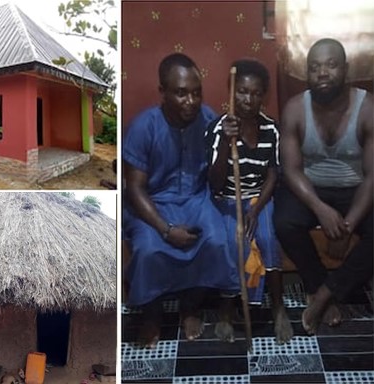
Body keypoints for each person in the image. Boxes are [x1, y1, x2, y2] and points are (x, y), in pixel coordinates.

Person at [123, 53, 238, 348]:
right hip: (153, 203)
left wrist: (224, 144)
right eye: (181, 93)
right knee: (148, 250)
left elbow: (216, 181)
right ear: (163, 93)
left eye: (196, 93)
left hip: (198, 198)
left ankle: (191, 306)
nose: (191, 101)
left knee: (215, 241)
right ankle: (151, 315)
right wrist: (164, 229)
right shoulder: (143, 126)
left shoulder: (211, 119)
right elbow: (135, 189)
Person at [274, 38, 372, 335]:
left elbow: (372, 176)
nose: (323, 73)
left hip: (357, 189)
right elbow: (290, 170)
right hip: (310, 189)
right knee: (284, 221)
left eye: (331, 65)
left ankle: (328, 292)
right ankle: (317, 283)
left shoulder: (367, 108)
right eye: (314, 67)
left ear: (346, 69)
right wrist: (321, 209)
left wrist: (347, 224)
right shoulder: (295, 108)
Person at [206, 59, 293, 344]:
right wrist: (224, 150)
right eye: (242, 91)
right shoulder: (219, 129)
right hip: (227, 199)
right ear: (232, 91)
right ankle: (226, 312)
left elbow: (273, 175)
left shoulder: (271, 130)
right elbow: (215, 183)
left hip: (259, 198)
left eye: (256, 93)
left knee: (267, 238)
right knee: (232, 242)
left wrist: (256, 208)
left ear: (264, 95)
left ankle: (278, 309)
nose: (248, 99)